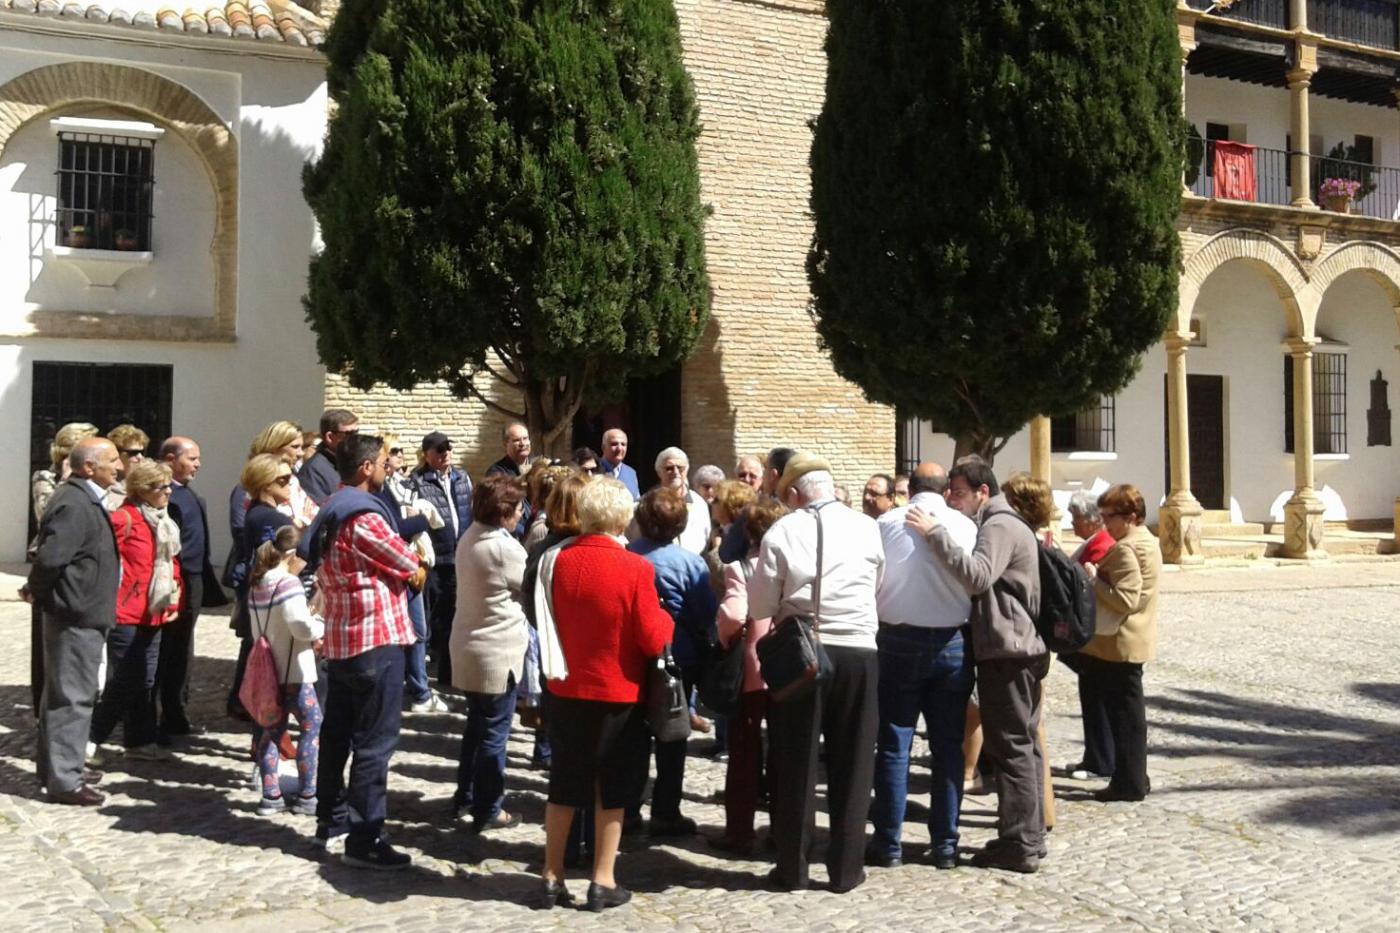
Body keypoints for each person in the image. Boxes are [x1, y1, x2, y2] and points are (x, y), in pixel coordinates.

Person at [748, 452, 884, 894]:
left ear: (792, 493)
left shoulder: (783, 529)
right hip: (859, 650)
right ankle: (846, 869)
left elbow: (762, 606)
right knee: (855, 759)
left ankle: (793, 867)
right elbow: (877, 582)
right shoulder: (867, 526)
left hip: (804, 650)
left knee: (795, 761)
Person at [537, 478, 673, 911]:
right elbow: (653, 639)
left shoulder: (556, 560)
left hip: (565, 686)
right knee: (613, 790)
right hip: (618, 691)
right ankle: (602, 878)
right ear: (621, 517)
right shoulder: (635, 569)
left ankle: (551, 873)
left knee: (563, 783)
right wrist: (668, 622)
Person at [908, 458, 1047, 874]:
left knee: (1011, 747)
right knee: (1023, 744)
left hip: (1008, 651)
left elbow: (978, 577)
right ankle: (1028, 837)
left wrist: (936, 535)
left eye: (959, 492)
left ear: (982, 492)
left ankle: (1019, 844)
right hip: (1016, 648)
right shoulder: (1004, 523)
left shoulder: (999, 525)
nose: (952, 499)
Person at [301, 434, 426, 868]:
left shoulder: (331, 507)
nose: (387, 468)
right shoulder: (364, 517)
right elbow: (408, 565)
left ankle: (330, 822)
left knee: (338, 736)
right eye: (383, 463)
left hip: (342, 637)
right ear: (367, 467)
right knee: (374, 742)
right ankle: (365, 838)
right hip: (376, 639)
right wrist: (414, 559)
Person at [868, 461, 978, 870]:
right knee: (948, 745)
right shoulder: (964, 525)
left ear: (908, 489)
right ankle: (946, 844)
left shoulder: (886, 523)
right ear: (946, 488)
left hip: (898, 637)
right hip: (951, 639)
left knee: (895, 743)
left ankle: (889, 843)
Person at [27, 437, 121, 806]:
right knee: (73, 697)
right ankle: (65, 779)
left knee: (64, 694)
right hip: (75, 615)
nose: (119, 465)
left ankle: (57, 767)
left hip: (82, 612)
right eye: (111, 459)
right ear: (88, 467)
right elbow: (51, 558)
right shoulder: (74, 502)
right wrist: (37, 590)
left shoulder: (84, 498)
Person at [627, 487, 717, 836]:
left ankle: (629, 809)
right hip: (677, 659)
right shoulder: (690, 564)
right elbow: (706, 614)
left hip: (635, 657)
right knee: (672, 736)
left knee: (634, 737)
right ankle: (666, 811)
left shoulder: (627, 555)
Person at [450, 474, 530, 833]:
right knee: (494, 733)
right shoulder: (503, 547)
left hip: (470, 643)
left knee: (476, 727)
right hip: (495, 650)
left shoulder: (469, 536)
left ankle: (465, 796)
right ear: (506, 511)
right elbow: (527, 585)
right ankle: (488, 806)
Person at [708, 496, 787, 854]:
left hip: (754, 670)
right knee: (786, 750)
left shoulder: (741, 568)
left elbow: (733, 617)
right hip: (790, 668)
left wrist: (724, 640)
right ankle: (784, 827)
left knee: (744, 751)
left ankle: (739, 831)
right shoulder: (795, 564)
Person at [90, 460, 182, 763]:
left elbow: (171, 563)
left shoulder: (162, 521)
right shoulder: (123, 519)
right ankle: (90, 739)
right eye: (161, 487)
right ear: (143, 491)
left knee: (146, 679)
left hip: (155, 610)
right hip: (125, 612)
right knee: (126, 679)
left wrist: (172, 600)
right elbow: (99, 561)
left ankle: (139, 741)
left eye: (168, 485)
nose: (168, 491)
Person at [1080, 483, 1162, 803]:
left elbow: (1125, 599)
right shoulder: (1146, 541)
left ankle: (1129, 782)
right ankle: (1135, 775)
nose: (1105, 523)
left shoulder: (1126, 547)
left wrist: (1094, 579)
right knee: (1129, 714)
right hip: (1134, 638)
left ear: (1129, 517)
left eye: (1109, 517)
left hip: (1120, 641)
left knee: (1124, 717)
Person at [246, 525, 324, 816]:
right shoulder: (288, 584)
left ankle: (271, 795)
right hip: (294, 671)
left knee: (270, 731)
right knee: (311, 726)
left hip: (266, 671)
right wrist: (320, 627)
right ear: (292, 555)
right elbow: (300, 626)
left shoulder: (256, 583)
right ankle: (307, 794)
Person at [156, 436, 225, 741]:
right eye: (192, 458)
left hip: (194, 576)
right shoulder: (166, 493)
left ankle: (176, 709)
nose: (198, 464)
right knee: (173, 649)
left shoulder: (183, 492)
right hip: (179, 579)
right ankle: (170, 711)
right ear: (171, 459)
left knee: (183, 646)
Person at [29, 422, 99, 714]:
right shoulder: (46, 478)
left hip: (83, 565)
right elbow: (47, 513)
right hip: (53, 564)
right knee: (47, 643)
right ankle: (43, 706)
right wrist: (68, 480)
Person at [379, 435, 443, 714]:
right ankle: (417, 691)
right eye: (393, 452)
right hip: (398, 569)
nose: (398, 456)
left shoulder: (401, 485)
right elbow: (395, 528)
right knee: (411, 632)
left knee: (419, 631)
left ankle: (419, 689)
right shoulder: (380, 492)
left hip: (412, 566)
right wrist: (420, 520)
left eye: (401, 451)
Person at [1058, 489, 1117, 780]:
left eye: (1077, 517)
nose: (1073, 523)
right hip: (1088, 637)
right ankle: (1093, 757)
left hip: (1096, 635)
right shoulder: (1091, 542)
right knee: (1090, 697)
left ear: (1094, 520)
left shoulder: (1101, 545)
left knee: (1099, 700)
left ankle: (1101, 761)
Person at [412, 431, 473, 688]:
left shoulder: (462, 477)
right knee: (433, 615)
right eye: (439, 450)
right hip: (437, 558)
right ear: (427, 454)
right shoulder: (417, 481)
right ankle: (428, 671)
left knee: (453, 616)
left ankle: (448, 673)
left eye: (448, 448)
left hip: (461, 556)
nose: (445, 453)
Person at [718, 447, 795, 563]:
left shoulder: (761, 509)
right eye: (742, 475)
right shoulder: (721, 503)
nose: (746, 480)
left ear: (764, 477)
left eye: (752, 476)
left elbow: (727, 554)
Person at [653, 446, 710, 555]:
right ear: (659, 472)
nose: (675, 472)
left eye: (680, 468)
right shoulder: (648, 504)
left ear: (687, 470)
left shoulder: (699, 504)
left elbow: (706, 535)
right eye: (669, 468)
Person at [298, 408, 359, 505]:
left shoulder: (351, 464)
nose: (356, 439)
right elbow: (318, 512)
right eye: (349, 434)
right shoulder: (312, 471)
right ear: (330, 437)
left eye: (356, 432)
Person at [104, 423, 150, 511]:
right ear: (116, 454)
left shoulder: (148, 485)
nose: (140, 457)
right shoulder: (105, 487)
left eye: (142, 452)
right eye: (133, 453)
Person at [597, 428, 639, 500]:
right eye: (614, 444)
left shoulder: (631, 473)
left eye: (623, 444)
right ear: (603, 447)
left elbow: (636, 502)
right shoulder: (593, 470)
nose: (619, 448)